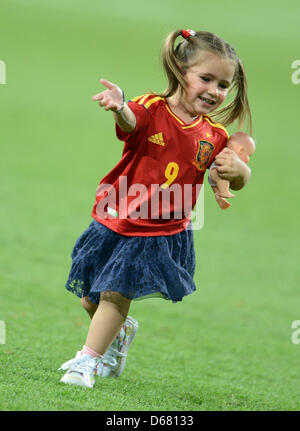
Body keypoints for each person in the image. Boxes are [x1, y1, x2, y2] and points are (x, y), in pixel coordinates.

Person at [58, 28, 253, 388]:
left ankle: (85, 363)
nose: (214, 91)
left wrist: (240, 172)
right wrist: (118, 107)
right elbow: (131, 120)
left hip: (157, 231)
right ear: (180, 71)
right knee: (91, 298)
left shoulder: (214, 136)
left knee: (115, 294)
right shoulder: (152, 107)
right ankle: (119, 334)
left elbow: (228, 176)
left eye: (223, 85)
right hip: (116, 217)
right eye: (205, 78)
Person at [209, 132, 256, 209]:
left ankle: (220, 197)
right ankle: (224, 192)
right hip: (216, 172)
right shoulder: (228, 153)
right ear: (241, 150)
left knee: (217, 189)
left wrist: (242, 171)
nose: (248, 160)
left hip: (213, 175)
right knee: (222, 178)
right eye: (248, 155)